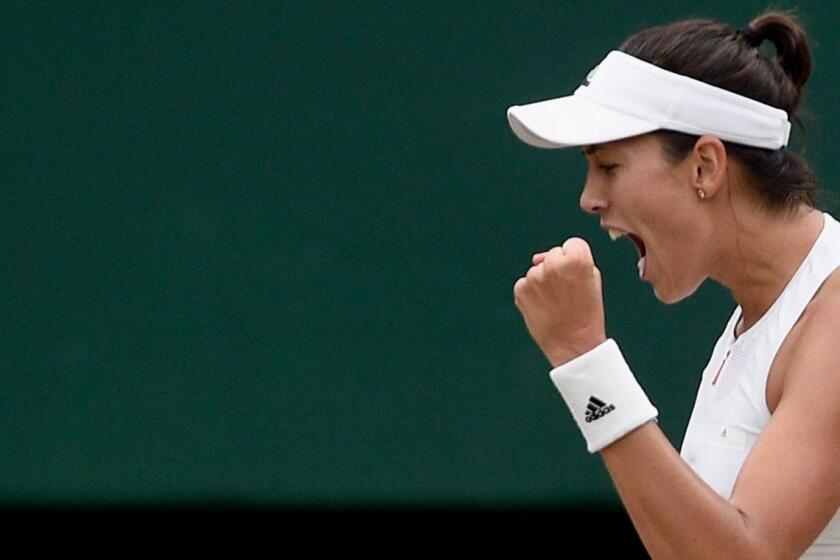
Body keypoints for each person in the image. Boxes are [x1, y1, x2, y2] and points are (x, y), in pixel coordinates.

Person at [507, 11, 840, 559]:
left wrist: (583, 358)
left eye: (609, 166)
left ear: (705, 166)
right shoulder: (758, 321)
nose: (589, 199)